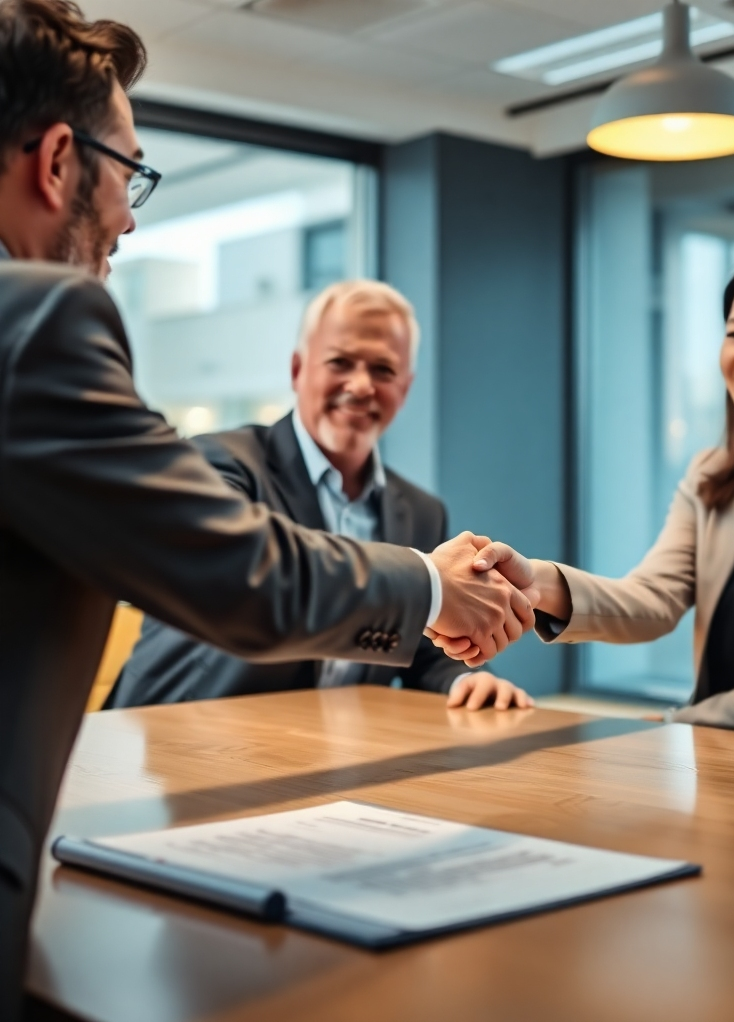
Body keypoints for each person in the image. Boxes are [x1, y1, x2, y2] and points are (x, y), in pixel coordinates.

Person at [0, 2, 532, 1017]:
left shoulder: (415, 501)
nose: (130, 215)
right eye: (129, 171)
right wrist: (430, 586)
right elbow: (241, 570)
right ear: (60, 160)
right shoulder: (40, 319)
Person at [433, 253, 734, 755]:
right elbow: (653, 601)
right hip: (730, 756)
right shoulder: (713, 473)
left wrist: (675, 723)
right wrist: (533, 582)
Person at [109, 280, 531, 712]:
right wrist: (426, 582)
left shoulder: (422, 512)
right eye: (340, 362)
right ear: (297, 370)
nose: (362, 385)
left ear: (404, 390)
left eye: (383, 370)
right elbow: (250, 588)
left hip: (320, 752)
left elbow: (420, 645)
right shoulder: (218, 465)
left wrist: (466, 679)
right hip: (171, 741)